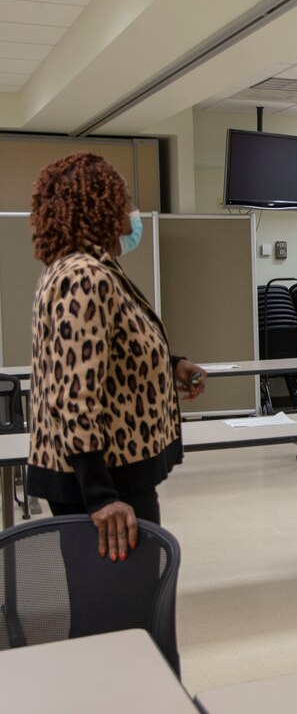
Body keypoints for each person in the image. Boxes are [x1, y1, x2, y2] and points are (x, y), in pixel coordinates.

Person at [27, 152, 206, 562]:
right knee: (119, 609)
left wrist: (170, 363)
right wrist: (102, 497)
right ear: (99, 207)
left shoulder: (89, 268)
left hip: (108, 475)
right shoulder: (83, 276)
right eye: (124, 200)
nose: (132, 212)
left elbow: (109, 347)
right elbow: (74, 394)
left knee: (116, 606)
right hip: (103, 484)